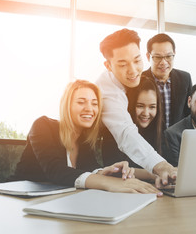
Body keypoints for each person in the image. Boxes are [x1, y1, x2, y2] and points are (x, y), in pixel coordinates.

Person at [13, 80, 162, 195]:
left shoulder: (84, 138)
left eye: (94, 103)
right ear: (67, 105)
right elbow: (56, 171)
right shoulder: (43, 126)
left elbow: (91, 170)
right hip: (20, 198)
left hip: (58, 202)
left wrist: (153, 174)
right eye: (81, 102)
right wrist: (109, 183)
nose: (90, 109)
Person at [96, 28, 176, 185]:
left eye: (137, 60)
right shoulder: (106, 91)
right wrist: (162, 166)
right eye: (122, 64)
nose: (133, 71)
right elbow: (126, 134)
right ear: (108, 66)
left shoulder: (137, 83)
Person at [142, 33, 192, 130]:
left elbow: (189, 114)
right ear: (148, 56)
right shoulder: (140, 80)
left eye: (168, 56)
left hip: (176, 141)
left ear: (174, 53)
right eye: (157, 57)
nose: (163, 62)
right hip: (148, 142)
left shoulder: (185, 79)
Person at [127, 76, 163, 155]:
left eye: (152, 107)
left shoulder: (161, 137)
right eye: (140, 106)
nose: (146, 113)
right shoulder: (117, 136)